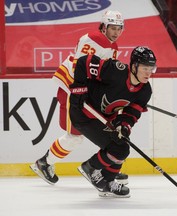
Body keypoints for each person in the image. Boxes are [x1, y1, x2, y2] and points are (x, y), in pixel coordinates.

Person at [30, 10, 128, 185]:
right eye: (112, 28)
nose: (116, 32)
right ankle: (44, 163)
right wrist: (82, 93)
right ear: (104, 27)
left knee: (104, 127)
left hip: (85, 91)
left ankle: (107, 166)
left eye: (119, 28)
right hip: (71, 89)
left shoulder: (113, 46)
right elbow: (80, 68)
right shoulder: (93, 38)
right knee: (75, 136)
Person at [69, 46, 157, 198]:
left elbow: (131, 113)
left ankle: (106, 183)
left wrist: (124, 127)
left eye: (151, 68)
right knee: (119, 149)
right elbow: (85, 62)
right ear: (134, 65)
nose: (148, 73)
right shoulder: (116, 70)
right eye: (144, 68)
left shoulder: (145, 91)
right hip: (83, 112)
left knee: (122, 142)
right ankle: (90, 168)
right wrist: (79, 90)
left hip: (103, 117)